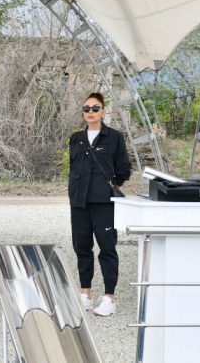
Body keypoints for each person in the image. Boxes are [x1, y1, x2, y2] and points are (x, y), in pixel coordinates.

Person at [68, 92, 131, 316]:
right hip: (79, 202)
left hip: (103, 202)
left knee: (107, 248)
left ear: (104, 111)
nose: (91, 112)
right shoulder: (76, 138)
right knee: (82, 248)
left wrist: (111, 189)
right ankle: (85, 295)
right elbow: (73, 168)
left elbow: (123, 169)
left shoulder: (114, 137)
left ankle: (109, 298)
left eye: (95, 108)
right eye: (86, 109)